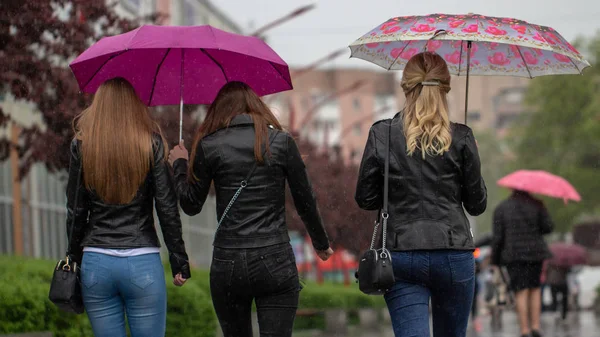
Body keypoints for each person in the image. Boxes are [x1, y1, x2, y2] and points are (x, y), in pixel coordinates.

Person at [168, 81, 333, 337]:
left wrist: (179, 165)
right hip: (274, 256)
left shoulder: (210, 145)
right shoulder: (281, 142)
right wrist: (320, 242)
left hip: (228, 260)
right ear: (256, 106)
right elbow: (305, 200)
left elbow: (190, 205)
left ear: (220, 110)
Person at [355, 52, 487, 337]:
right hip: (454, 254)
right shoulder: (461, 137)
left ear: (405, 87)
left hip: (401, 254)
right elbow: (476, 205)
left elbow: (365, 199)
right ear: (446, 88)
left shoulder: (383, 134)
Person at [66, 77, 191, 337]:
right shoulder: (151, 144)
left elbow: (76, 210)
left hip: (96, 263)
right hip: (142, 263)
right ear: (133, 105)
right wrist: (179, 260)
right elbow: (166, 208)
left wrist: (74, 260)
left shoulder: (83, 146)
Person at [491, 190, 553, 337]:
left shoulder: (502, 208)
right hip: (536, 253)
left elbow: (498, 237)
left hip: (514, 255)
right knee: (535, 288)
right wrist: (542, 208)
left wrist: (495, 260)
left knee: (521, 290)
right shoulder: (536, 205)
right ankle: (536, 327)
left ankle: (524, 330)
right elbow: (548, 227)